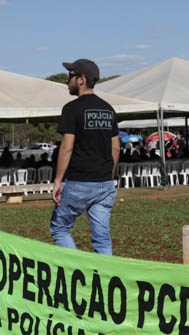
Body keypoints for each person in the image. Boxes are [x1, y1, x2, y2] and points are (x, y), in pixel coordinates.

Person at [50, 58, 119, 255]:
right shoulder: (108, 109)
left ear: (81, 79)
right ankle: (104, 280)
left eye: (70, 76)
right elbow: (115, 148)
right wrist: (109, 175)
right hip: (105, 183)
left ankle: (76, 270)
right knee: (102, 239)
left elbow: (66, 148)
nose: (66, 80)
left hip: (80, 181)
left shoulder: (72, 108)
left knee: (59, 228)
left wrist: (57, 181)